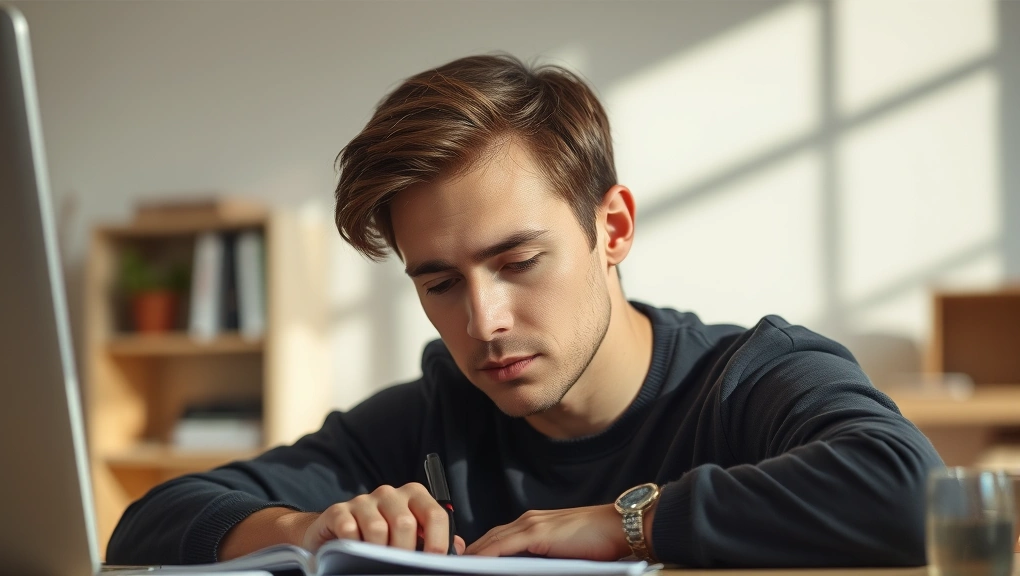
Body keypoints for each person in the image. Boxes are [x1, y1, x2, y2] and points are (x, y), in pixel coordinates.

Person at [107, 54, 944, 569]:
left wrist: (631, 525)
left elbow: (911, 491)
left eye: (517, 261)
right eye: (438, 283)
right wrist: (310, 525)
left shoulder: (752, 378)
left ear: (610, 228)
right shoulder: (432, 419)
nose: (484, 320)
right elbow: (151, 523)